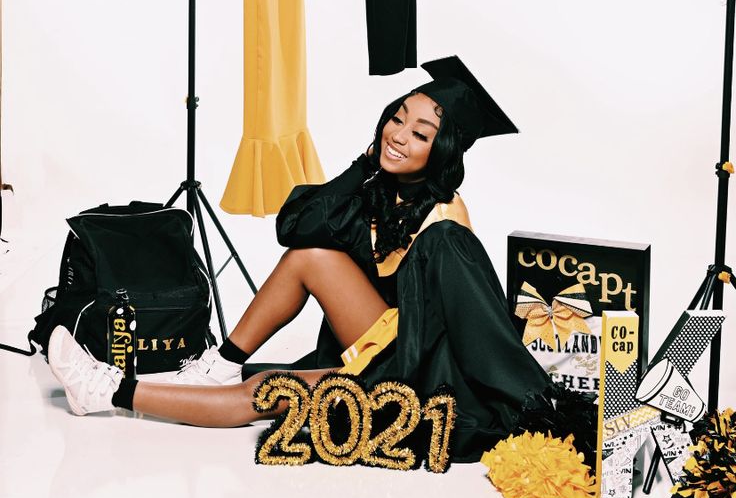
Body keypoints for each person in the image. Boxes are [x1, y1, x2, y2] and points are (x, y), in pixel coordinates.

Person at [48, 56, 550, 461]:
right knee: (309, 257)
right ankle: (219, 364)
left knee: (269, 391)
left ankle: (109, 390)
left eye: (420, 134)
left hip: (415, 370)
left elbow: (474, 322)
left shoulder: (446, 224)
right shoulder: (383, 192)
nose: (399, 135)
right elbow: (296, 227)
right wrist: (365, 164)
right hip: (381, 342)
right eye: (397, 119)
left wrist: (533, 402)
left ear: (442, 149)